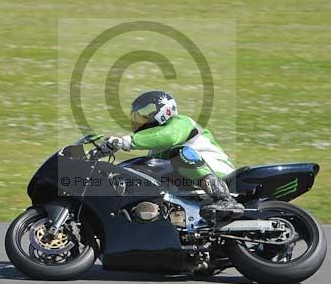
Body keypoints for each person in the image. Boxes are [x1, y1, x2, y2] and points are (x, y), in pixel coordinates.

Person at [100, 90, 244, 220]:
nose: (141, 119)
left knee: (180, 153)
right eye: (138, 115)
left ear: (164, 111)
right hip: (189, 182)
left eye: (148, 113)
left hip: (219, 173)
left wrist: (125, 141)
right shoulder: (155, 149)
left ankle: (224, 199)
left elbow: (169, 136)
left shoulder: (181, 122)